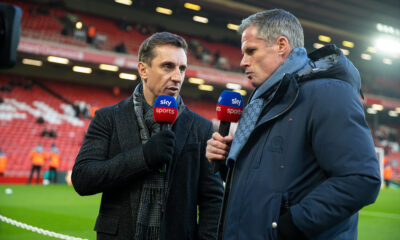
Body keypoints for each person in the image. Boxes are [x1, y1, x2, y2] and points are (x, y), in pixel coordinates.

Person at [206, 9, 381, 240]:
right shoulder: (265, 100)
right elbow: (274, 181)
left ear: (281, 45)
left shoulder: (329, 93)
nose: (242, 62)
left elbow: (361, 178)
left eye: (251, 51)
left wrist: (293, 225)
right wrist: (230, 164)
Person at [72, 32, 223, 240]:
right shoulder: (108, 118)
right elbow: (83, 179)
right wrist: (143, 157)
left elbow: (213, 199)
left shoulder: (201, 127)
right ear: (143, 70)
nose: (177, 77)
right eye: (168, 66)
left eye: (182, 68)